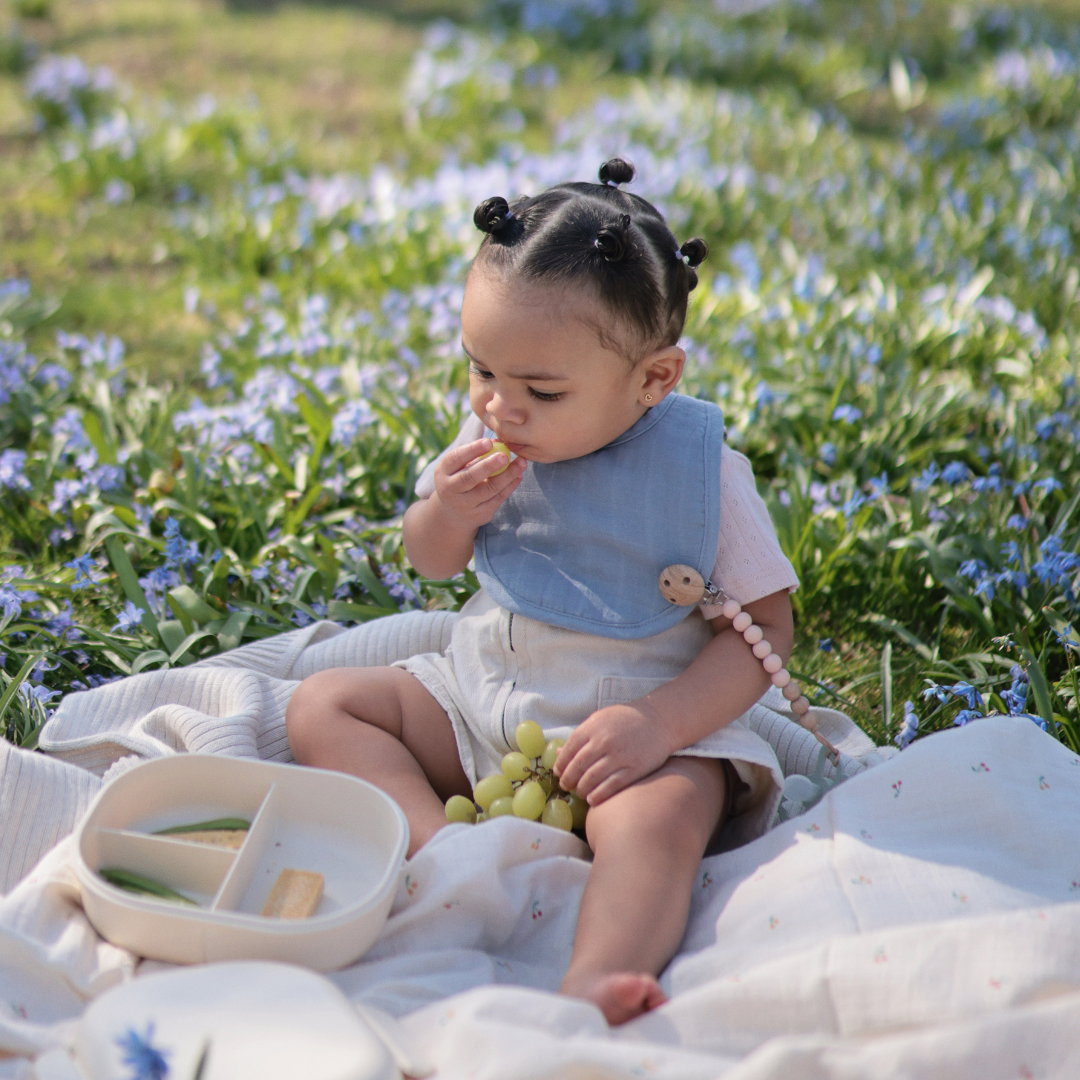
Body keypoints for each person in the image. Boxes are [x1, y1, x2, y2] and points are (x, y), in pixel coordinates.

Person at [286, 158, 798, 1025]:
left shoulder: (700, 474)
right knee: (325, 704)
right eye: (481, 370)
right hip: (487, 704)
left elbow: (768, 630)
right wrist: (445, 510)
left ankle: (599, 971)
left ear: (653, 380)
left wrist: (663, 725)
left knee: (663, 823)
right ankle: (448, 861)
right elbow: (433, 561)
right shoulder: (490, 436)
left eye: (539, 390)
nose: (499, 408)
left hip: (629, 737)